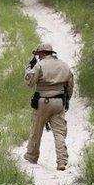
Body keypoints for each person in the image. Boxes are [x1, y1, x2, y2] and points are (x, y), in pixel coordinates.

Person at [24, 43, 74, 171]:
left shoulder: (39, 65)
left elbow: (29, 82)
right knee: (59, 133)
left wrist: (28, 69)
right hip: (59, 102)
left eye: (39, 54)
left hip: (43, 101)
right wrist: (66, 99)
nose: (38, 57)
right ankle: (62, 161)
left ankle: (31, 157)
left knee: (36, 130)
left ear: (42, 53)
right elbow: (70, 85)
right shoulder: (64, 65)